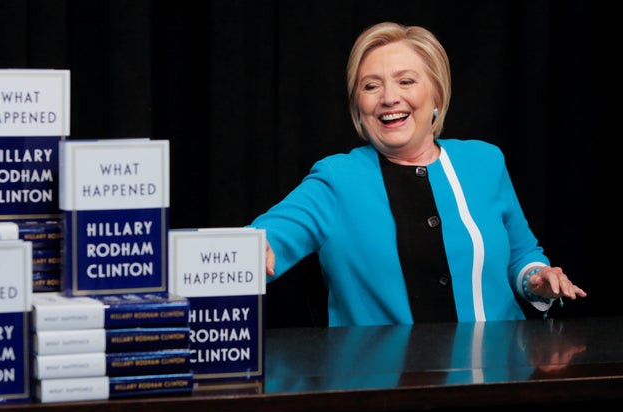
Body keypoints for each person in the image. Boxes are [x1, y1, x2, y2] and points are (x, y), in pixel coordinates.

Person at [249, 21, 586, 326]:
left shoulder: (484, 161)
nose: (389, 97)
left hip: (500, 377)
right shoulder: (337, 179)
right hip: (382, 386)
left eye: (406, 81)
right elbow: (266, 238)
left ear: (436, 94)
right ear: (358, 108)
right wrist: (249, 251)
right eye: (370, 87)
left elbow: (521, 255)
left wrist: (537, 279)